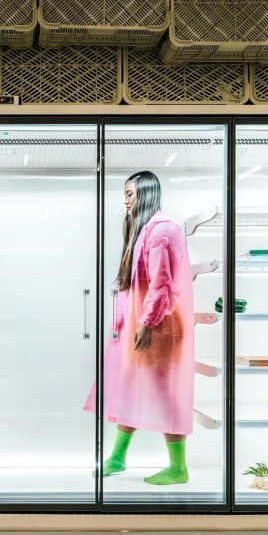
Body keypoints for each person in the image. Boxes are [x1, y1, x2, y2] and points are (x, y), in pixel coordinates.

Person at [85, 171, 195, 485]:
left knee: (165, 393)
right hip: (144, 324)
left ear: (146, 194)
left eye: (130, 194)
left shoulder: (162, 231)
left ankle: (178, 468)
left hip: (159, 326)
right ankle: (118, 457)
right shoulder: (146, 230)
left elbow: (162, 284)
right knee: (129, 388)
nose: (126, 200)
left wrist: (147, 323)